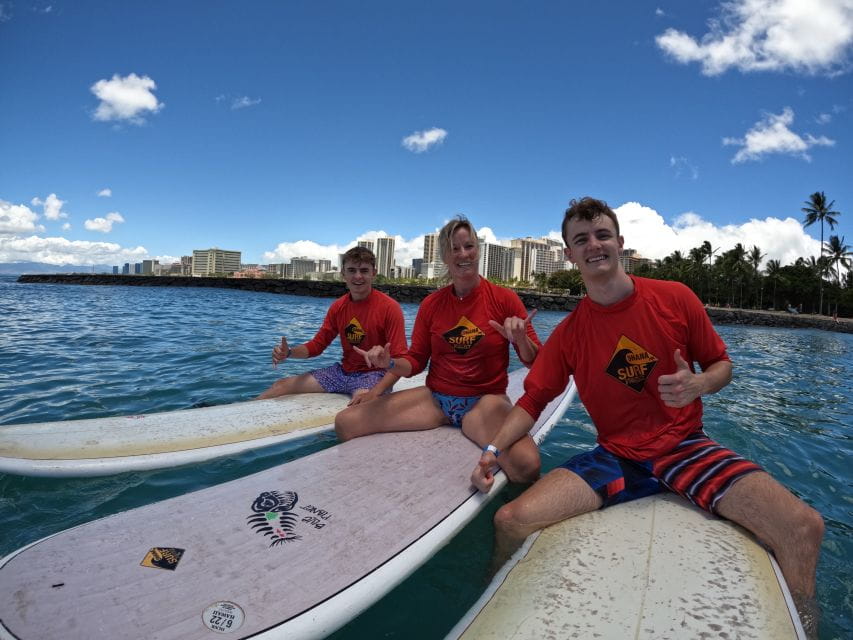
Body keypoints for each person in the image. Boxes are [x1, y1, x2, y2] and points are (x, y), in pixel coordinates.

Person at [471, 197, 824, 632]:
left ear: (620, 243)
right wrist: (492, 450)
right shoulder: (570, 333)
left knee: (803, 527)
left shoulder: (675, 298)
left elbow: (722, 365)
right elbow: (532, 401)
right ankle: (495, 611)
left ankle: (804, 627)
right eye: (581, 239)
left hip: (684, 449)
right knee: (510, 520)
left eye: (602, 234)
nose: (594, 245)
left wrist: (699, 384)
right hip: (617, 458)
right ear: (569, 254)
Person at [335, 216, 543, 483]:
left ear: (478, 250)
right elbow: (416, 361)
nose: (463, 254)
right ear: (445, 256)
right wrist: (389, 363)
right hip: (435, 400)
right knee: (346, 423)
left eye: (469, 246)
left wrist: (521, 340)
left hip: (484, 402)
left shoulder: (505, 299)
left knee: (527, 465)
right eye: (454, 249)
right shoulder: (432, 304)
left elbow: (537, 363)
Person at [256, 246, 407, 404]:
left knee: (360, 407)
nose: (358, 276)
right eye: (351, 270)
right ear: (343, 274)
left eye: (364, 271)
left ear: (373, 273)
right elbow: (317, 346)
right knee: (280, 386)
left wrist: (375, 393)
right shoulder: (338, 307)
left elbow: (401, 360)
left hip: (375, 375)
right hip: (342, 372)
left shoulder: (389, 307)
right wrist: (288, 353)